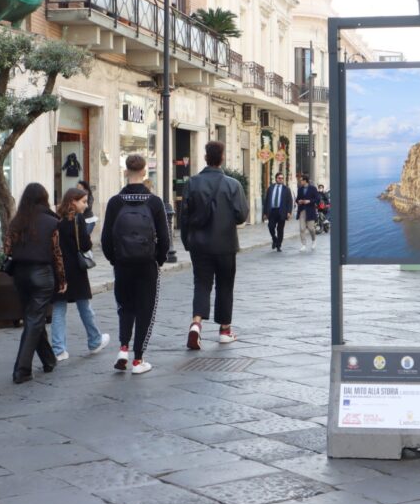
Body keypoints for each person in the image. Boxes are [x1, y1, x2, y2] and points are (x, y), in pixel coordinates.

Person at [101, 154, 170, 374]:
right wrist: (157, 260)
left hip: (122, 264)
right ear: (144, 173)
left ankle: (123, 348)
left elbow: (105, 239)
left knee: (125, 307)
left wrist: (115, 259)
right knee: (145, 309)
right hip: (147, 263)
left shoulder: (115, 202)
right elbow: (165, 238)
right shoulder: (154, 202)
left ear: (125, 172)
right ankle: (138, 360)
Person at [180, 141, 249, 349]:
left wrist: (186, 241)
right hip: (225, 245)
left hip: (199, 245)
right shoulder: (233, 185)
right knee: (225, 286)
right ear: (222, 158)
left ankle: (196, 324)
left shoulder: (192, 183)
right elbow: (241, 215)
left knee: (201, 284)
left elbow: (184, 216)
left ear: (205, 158)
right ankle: (225, 330)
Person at [5, 183, 66, 383]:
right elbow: (57, 254)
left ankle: (49, 359)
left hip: (20, 274)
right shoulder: (52, 222)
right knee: (34, 319)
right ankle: (21, 369)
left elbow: (7, 251)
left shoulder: (16, 222)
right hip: (42, 274)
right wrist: (62, 279)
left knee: (33, 317)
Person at [52, 187, 109, 361]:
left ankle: (59, 349)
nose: (85, 205)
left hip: (59, 269)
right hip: (76, 270)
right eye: (83, 201)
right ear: (73, 202)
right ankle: (94, 340)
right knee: (85, 307)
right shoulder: (77, 220)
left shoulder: (56, 220)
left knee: (59, 309)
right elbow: (85, 245)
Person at [262, 172, 293, 252]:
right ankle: (274, 239)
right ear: (276, 179)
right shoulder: (271, 188)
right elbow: (266, 201)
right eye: (279, 178)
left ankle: (278, 245)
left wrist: (289, 212)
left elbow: (290, 201)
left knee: (280, 229)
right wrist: (265, 213)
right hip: (272, 211)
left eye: (282, 178)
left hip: (281, 211)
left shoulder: (286, 189)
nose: (281, 179)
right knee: (271, 226)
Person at [295, 173, 321, 252]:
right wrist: (298, 201)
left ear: (305, 181)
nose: (300, 182)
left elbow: (317, 199)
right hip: (302, 210)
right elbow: (297, 199)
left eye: (301, 180)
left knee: (311, 228)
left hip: (310, 210)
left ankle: (313, 240)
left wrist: (309, 201)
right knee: (302, 228)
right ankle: (303, 244)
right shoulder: (300, 189)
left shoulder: (313, 188)